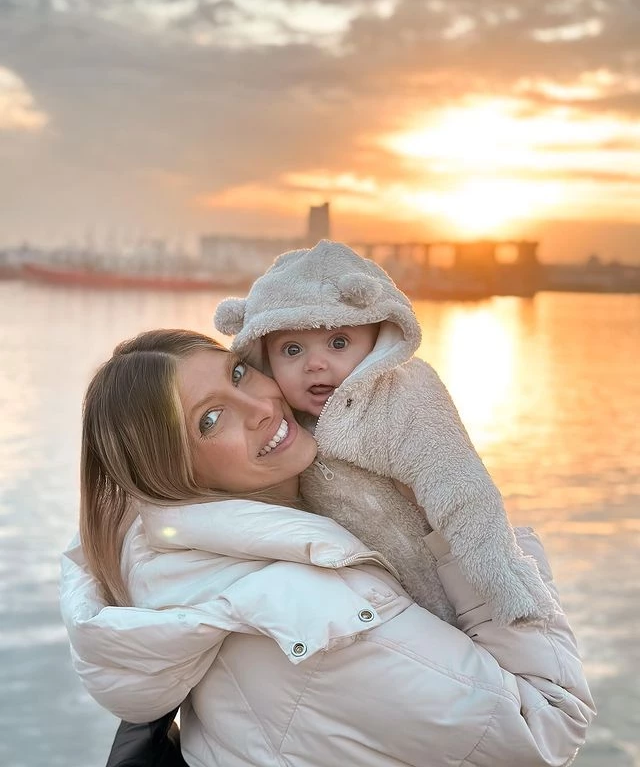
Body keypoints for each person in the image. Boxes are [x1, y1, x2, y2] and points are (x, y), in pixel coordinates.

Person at [60, 328, 595, 767]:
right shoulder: (321, 614)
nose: (262, 406)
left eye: (239, 373)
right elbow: (548, 725)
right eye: (210, 418)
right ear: (170, 471)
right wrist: (462, 534)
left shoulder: (170, 558)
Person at [214, 239, 556, 627]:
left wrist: (502, 578)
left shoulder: (403, 397)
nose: (315, 364)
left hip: (462, 596)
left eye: (339, 342)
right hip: (378, 607)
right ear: (263, 356)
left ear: (377, 343)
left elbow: (460, 483)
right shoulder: (282, 426)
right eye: (292, 350)